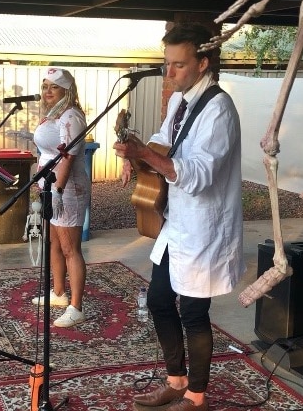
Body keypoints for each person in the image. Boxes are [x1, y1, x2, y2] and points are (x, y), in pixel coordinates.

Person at [113, 23, 245, 411]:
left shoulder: (219, 110)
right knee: (157, 298)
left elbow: (200, 174)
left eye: (178, 65)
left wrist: (149, 155)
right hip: (177, 222)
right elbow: (165, 140)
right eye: (166, 64)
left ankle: (197, 396)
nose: (168, 74)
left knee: (192, 310)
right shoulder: (178, 101)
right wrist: (136, 156)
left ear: (203, 63)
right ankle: (176, 380)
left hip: (205, 226)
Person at [31, 68, 91, 328]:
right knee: (53, 243)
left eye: (53, 87)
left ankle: (76, 307)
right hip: (51, 187)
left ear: (67, 90)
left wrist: (57, 190)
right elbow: (46, 152)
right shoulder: (53, 115)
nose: (47, 92)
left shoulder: (71, 116)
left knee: (70, 248)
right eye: (45, 86)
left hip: (67, 189)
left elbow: (68, 158)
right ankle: (58, 293)